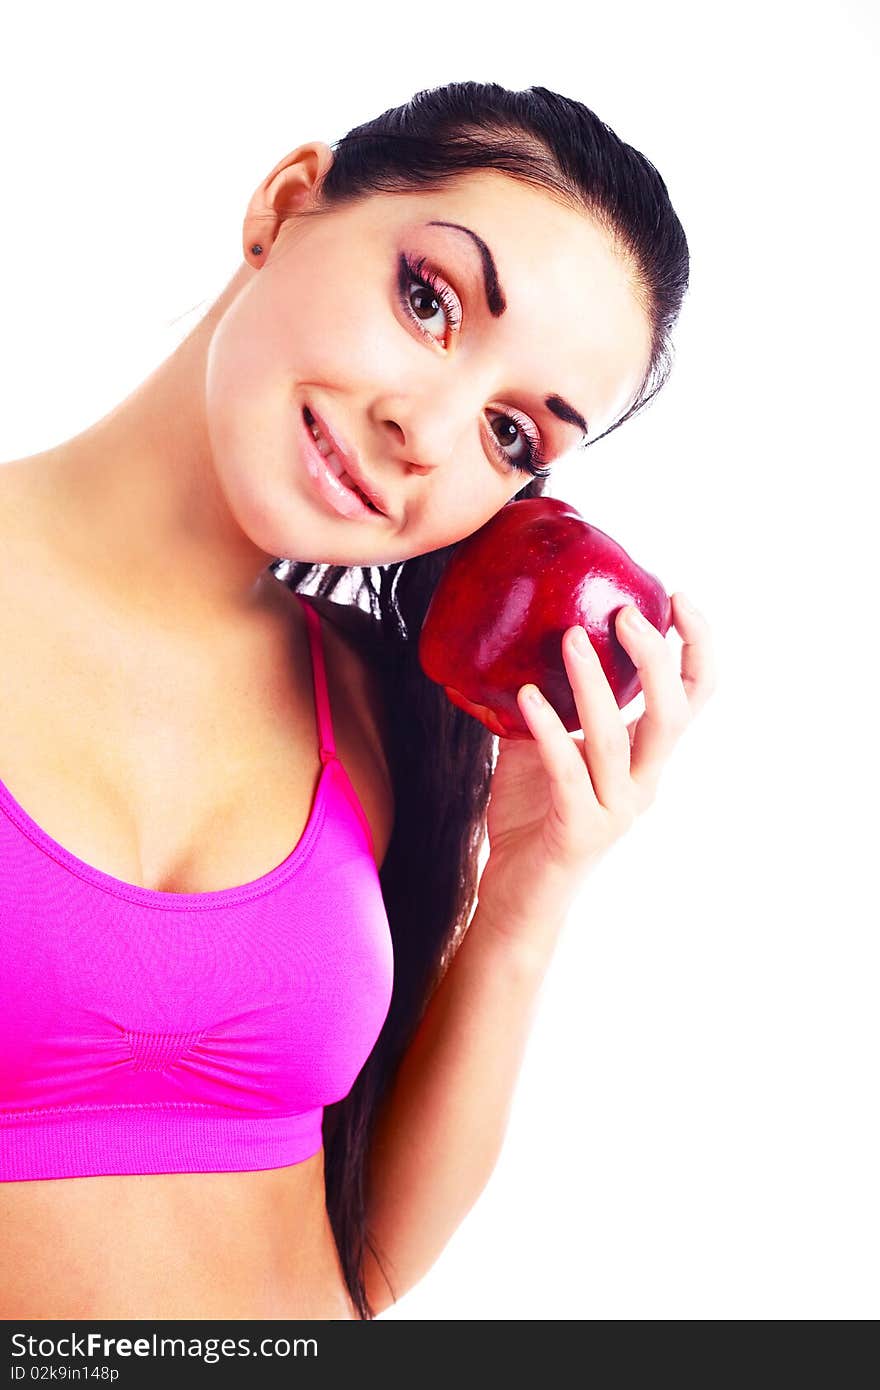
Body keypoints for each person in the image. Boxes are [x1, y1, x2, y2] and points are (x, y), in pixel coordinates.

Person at [0, 80, 716, 1320]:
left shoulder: (376, 709)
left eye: (510, 435)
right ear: (286, 205)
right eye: (427, 299)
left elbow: (363, 1262)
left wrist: (529, 889)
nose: (425, 432)